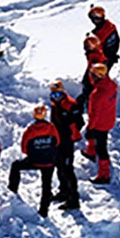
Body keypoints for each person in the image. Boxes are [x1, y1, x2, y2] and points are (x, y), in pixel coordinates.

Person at [8, 106, 60, 217]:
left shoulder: (30, 130)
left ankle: (12, 189)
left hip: (34, 160)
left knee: (16, 166)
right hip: (49, 161)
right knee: (47, 185)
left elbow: (24, 148)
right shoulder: (52, 128)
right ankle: (44, 210)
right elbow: (57, 142)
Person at [48, 80, 82, 210]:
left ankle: (73, 199)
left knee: (68, 169)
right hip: (58, 141)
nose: (55, 98)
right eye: (53, 95)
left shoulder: (71, 105)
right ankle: (64, 192)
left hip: (67, 141)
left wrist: (70, 134)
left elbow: (79, 122)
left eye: (58, 95)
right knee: (59, 167)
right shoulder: (55, 105)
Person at [83, 62, 117, 184]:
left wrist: (89, 128)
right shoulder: (112, 85)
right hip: (109, 119)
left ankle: (104, 174)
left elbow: (94, 115)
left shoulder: (97, 94)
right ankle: (90, 151)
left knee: (101, 148)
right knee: (99, 141)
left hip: (100, 124)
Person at [79, 33, 108, 109]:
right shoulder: (94, 53)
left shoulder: (96, 57)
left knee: (88, 90)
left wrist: (89, 80)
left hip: (92, 77)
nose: (85, 48)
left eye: (87, 46)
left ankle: (89, 104)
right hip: (91, 74)